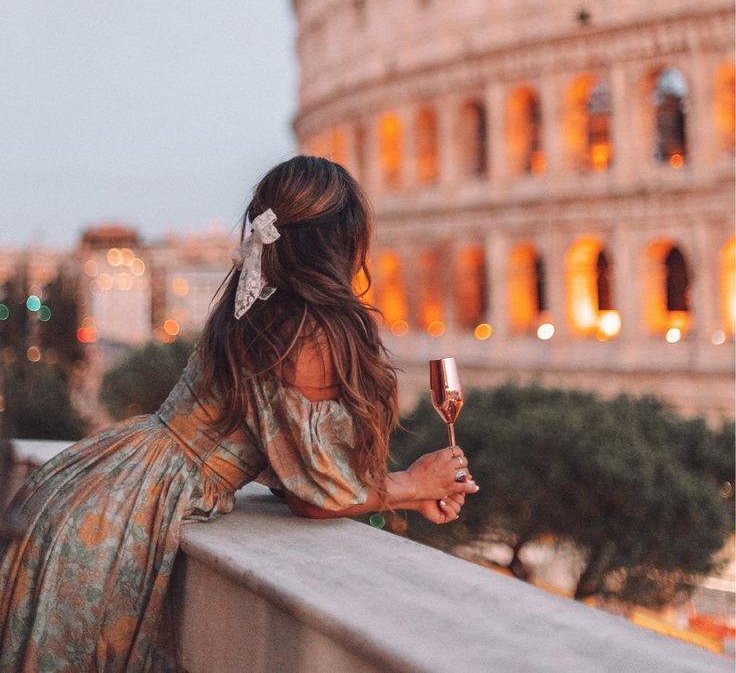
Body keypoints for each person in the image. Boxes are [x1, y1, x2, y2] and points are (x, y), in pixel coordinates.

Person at [0, 155, 478, 671]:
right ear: (342, 241)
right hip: (123, 514)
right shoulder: (306, 331)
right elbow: (313, 496)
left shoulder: (255, 308)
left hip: (99, 485)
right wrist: (412, 484)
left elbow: (279, 450)